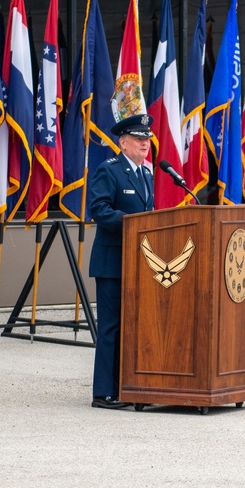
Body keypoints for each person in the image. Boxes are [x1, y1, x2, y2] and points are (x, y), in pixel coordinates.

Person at [88, 115, 155, 408]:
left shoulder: (146, 174)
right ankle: (103, 392)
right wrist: (134, 223)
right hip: (112, 262)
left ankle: (127, 386)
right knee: (111, 327)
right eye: (139, 139)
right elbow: (99, 210)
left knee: (132, 326)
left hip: (138, 264)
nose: (145, 143)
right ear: (123, 142)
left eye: (147, 138)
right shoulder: (109, 170)